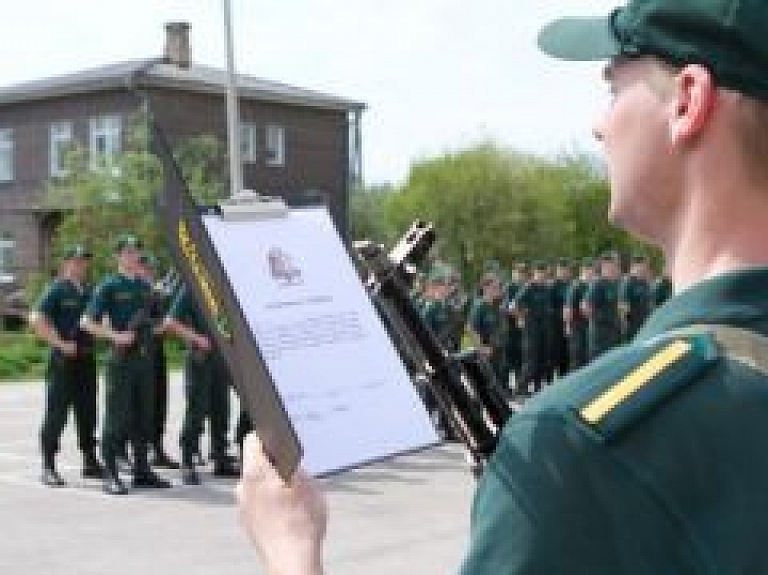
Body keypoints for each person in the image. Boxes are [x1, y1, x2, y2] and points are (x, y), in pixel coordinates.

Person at [238, 0, 768, 572]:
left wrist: (291, 548)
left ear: (687, 101)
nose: (599, 124)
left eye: (613, 86)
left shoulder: (579, 451)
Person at [81, 234, 171, 494]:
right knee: (116, 419)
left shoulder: (146, 288)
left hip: (145, 361)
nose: (133, 257)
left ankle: (142, 470)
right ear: (118, 256)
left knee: (144, 416)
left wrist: (159, 323)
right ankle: (111, 473)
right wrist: (116, 336)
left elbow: (155, 323)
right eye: (128, 252)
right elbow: (86, 322)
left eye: (136, 252)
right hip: (120, 362)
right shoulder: (108, 286)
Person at [29, 245, 103, 486]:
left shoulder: (90, 291)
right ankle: (48, 465)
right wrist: (60, 343)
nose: (81, 265)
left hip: (86, 359)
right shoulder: (57, 289)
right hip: (63, 361)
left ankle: (90, 460)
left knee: (88, 411)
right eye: (77, 261)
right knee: (57, 413)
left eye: (84, 261)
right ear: (66, 263)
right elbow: (36, 319)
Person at [163, 285, 239, 484]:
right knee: (196, 411)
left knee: (222, 410)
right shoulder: (192, 289)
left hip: (222, 359)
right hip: (200, 359)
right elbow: (170, 322)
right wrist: (196, 338)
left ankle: (221, 458)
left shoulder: (226, 289)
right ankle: (188, 461)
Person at [136, 253, 179, 470]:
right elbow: (139, 322)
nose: (151, 272)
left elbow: (162, 315)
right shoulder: (136, 292)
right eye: (147, 268)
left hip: (157, 353)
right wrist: (157, 327)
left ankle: (157, 448)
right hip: (142, 354)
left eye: (152, 269)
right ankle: (132, 451)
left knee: (160, 402)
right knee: (141, 405)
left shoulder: (154, 291)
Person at [582, 252, 622, 360]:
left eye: (614, 265)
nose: (613, 268)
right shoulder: (598, 284)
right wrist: (598, 318)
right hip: (600, 335)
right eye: (610, 265)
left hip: (612, 332)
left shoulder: (614, 284)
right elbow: (585, 306)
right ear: (603, 267)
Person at [618, 254, 652, 341]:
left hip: (645, 325)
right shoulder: (628, 283)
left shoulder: (645, 282)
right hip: (632, 327)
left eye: (646, 266)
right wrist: (623, 323)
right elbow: (622, 305)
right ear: (635, 266)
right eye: (643, 265)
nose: (645, 268)